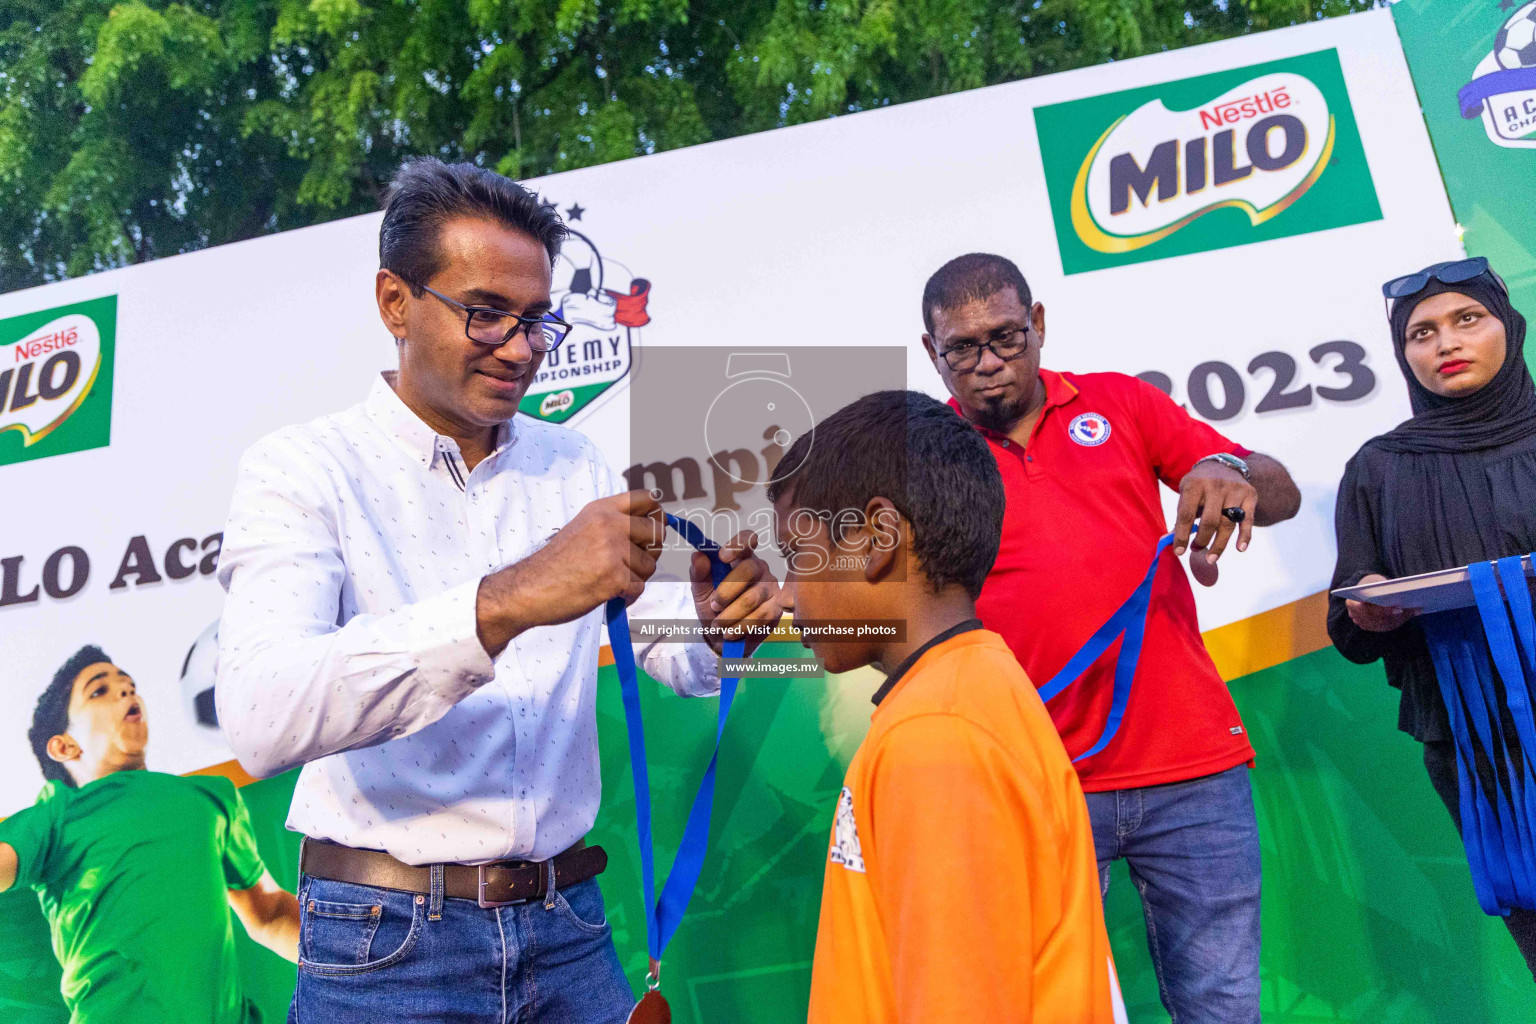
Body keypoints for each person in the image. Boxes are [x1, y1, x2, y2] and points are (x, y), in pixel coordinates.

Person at [214, 157, 781, 1023]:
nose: (521, 348)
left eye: (536, 319)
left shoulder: (575, 464)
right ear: (394, 302)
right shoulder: (302, 471)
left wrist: (712, 627)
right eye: (486, 314)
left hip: (570, 929)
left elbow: (677, 658)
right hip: (383, 946)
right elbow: (260, 720)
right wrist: (508, 599)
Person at [918, 253, 1301, 1023]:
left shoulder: (1122, 403)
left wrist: (1227, 470)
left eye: (1006, 337)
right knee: (1046, 1009)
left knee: (1222, 1008)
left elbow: (1279, 490)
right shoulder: (917, 455)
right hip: (1029, 780)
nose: (989, 364)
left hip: (1190, 767)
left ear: (1040, 325)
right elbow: (859, 589)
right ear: (932, 353)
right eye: (963, 347)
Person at [769, 389, 1126, 1024]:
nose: (789, 596)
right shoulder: (969, 687)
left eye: (798, 558)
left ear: (878, 536)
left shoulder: (935, 738)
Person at [1328, 256, 1536, 976]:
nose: (1444, 343)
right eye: (1421, 333)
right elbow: (1349, 620)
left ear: (1507, 324)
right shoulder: (1380, 468)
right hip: (1481, 749)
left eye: (1466, 320)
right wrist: (1369, 608)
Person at [0, 645, 299, 1024]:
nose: (126, 692)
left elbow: (269, 912)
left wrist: (363, 962)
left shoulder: (210, 796)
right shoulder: (54, 817)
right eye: (99, 690)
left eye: (128, 685)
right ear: (64, 745)